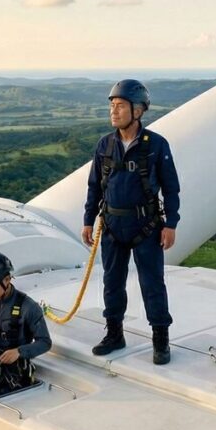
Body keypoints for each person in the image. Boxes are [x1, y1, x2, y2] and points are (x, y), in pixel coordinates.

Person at [82, 79, 181, 365]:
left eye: (120, 106)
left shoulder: (156, 145)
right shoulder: (105, 145)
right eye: (112, 106)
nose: (114, 111)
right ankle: (115, 334)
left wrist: (171, 224)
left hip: (146, 226)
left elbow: (171, 188)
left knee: (152, 283)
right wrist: (88, 220)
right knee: (112, 282)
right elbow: (94, 187)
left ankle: (160, 339)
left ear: (138, 110)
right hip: (112, 225)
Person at [0, 251, 52, 396]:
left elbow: (45, 342)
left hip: (13, 374)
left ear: (7, 280)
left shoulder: (29, 307)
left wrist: (18, 352)